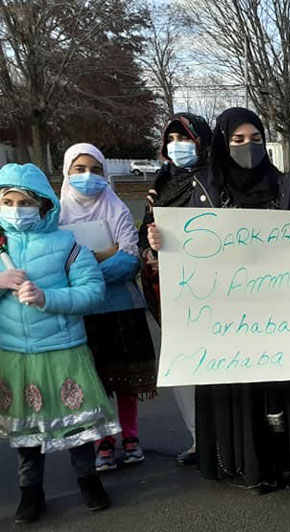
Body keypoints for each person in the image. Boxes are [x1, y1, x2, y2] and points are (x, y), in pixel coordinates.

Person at [147, 107, 290, 491]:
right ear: (222, 143)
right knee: (241, 390)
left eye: (256, 139)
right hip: (229, 320)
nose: (248, 147)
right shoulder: (207, 191)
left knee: (284, 389)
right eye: (238, 140)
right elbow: (188, 245)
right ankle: (251, 465)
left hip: (280, 313)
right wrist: (160, 242)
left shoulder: (288, 188)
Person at [0, 163, 117, 523]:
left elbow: (93, 292)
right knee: (28, 431)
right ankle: (30, 491)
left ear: (45, 205)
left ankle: (88, 480)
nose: (16, 209)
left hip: (64, 350)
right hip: (16, 354)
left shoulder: (68, 245)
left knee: (75, 425)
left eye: (25, 202)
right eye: (8, 201)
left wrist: (46, 297)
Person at [59, 143, 157, 472]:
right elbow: (57, 266)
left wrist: (85, 269)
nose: (88, 177)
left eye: (96, 170)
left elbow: (129, 262)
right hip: (83, 316)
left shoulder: (116, 209)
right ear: (66, 173)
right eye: (79, 170)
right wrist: (105, 255)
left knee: (127, 381)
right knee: (95, 381)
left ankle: (130, 437)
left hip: (122, 310)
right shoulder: (57, 215)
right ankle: (102, 441)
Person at [138, 113, 212, 466]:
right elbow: (144, 239)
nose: (177, 146)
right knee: (186, 368)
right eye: (170, 139)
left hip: (220, 291)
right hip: (176, 293)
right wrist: (151, 245)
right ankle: (199, 437)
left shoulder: (218, 180)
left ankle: (226, 434)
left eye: (184, 138)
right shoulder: (161, 185)